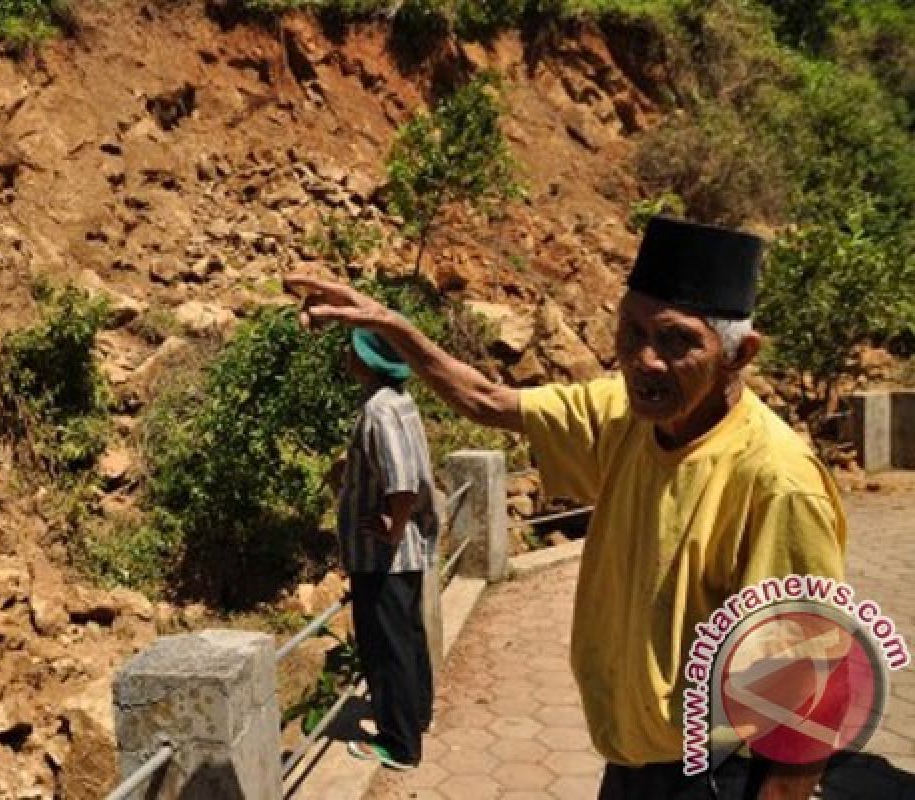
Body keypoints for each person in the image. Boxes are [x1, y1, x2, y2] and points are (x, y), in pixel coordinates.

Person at [286, 216, 848, 799]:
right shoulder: (624, 414)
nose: (644, 360)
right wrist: (391, 324)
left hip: (710, 776)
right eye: (630, 331)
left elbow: (812, 690)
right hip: (630, 759)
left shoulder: (777, 483)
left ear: (739, 355)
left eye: (678, 340)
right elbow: (487, 399)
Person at [336, 327, 438, 771]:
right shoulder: (401, 404)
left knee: (386, 645)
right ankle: (415, 715)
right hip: (407, 551)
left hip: (383, 555)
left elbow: (401, 479)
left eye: (353, 350)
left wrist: (391, 528)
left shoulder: (379, 410)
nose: (347, 356)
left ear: (368, 362)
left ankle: (399, 744)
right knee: (408, 637)